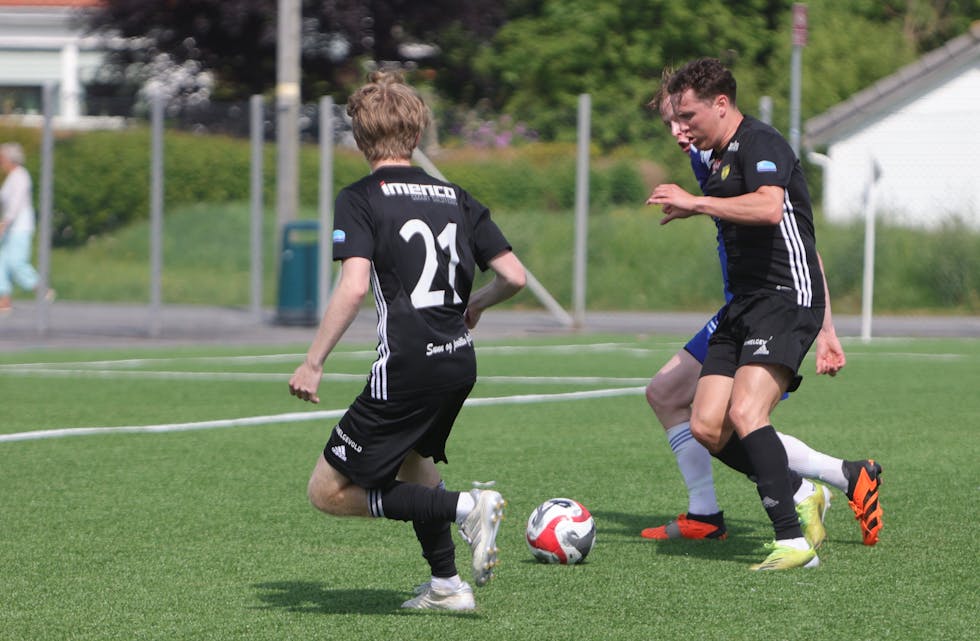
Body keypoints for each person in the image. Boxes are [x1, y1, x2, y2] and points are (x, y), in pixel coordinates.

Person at [288, 71, 526, 611]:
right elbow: (514, 276)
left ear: (358, 139)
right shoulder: (456, 196)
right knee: (415, 462)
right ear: (416, 135)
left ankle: (467, 507)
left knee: (326, 492)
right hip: (458, 363)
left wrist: (313, 361)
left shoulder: (360, 198)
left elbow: (352, 287)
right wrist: (476, 305)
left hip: (408, 367)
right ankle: (446, 586)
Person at [641, 71, 883, 548]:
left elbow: (791, 230)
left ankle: (792, 513)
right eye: (670, 122)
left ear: (721, 105)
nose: (677, 132)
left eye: (683, 118)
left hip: (780, 302)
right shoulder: (707, 157)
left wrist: (827, 328)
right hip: (742, 304)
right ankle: (719, 511)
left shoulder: (759, 144)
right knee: (676, 399)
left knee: (744, 414)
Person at [0, 142, 51, 313]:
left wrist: (5, 222)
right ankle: (4, 300)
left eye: (2, 157)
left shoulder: (21, 176)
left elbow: (16, 203)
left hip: (20, 226)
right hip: (10, 227)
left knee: (16, 262)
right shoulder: (11, 177)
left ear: (10, 159)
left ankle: (41, 288)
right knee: (1, 262)